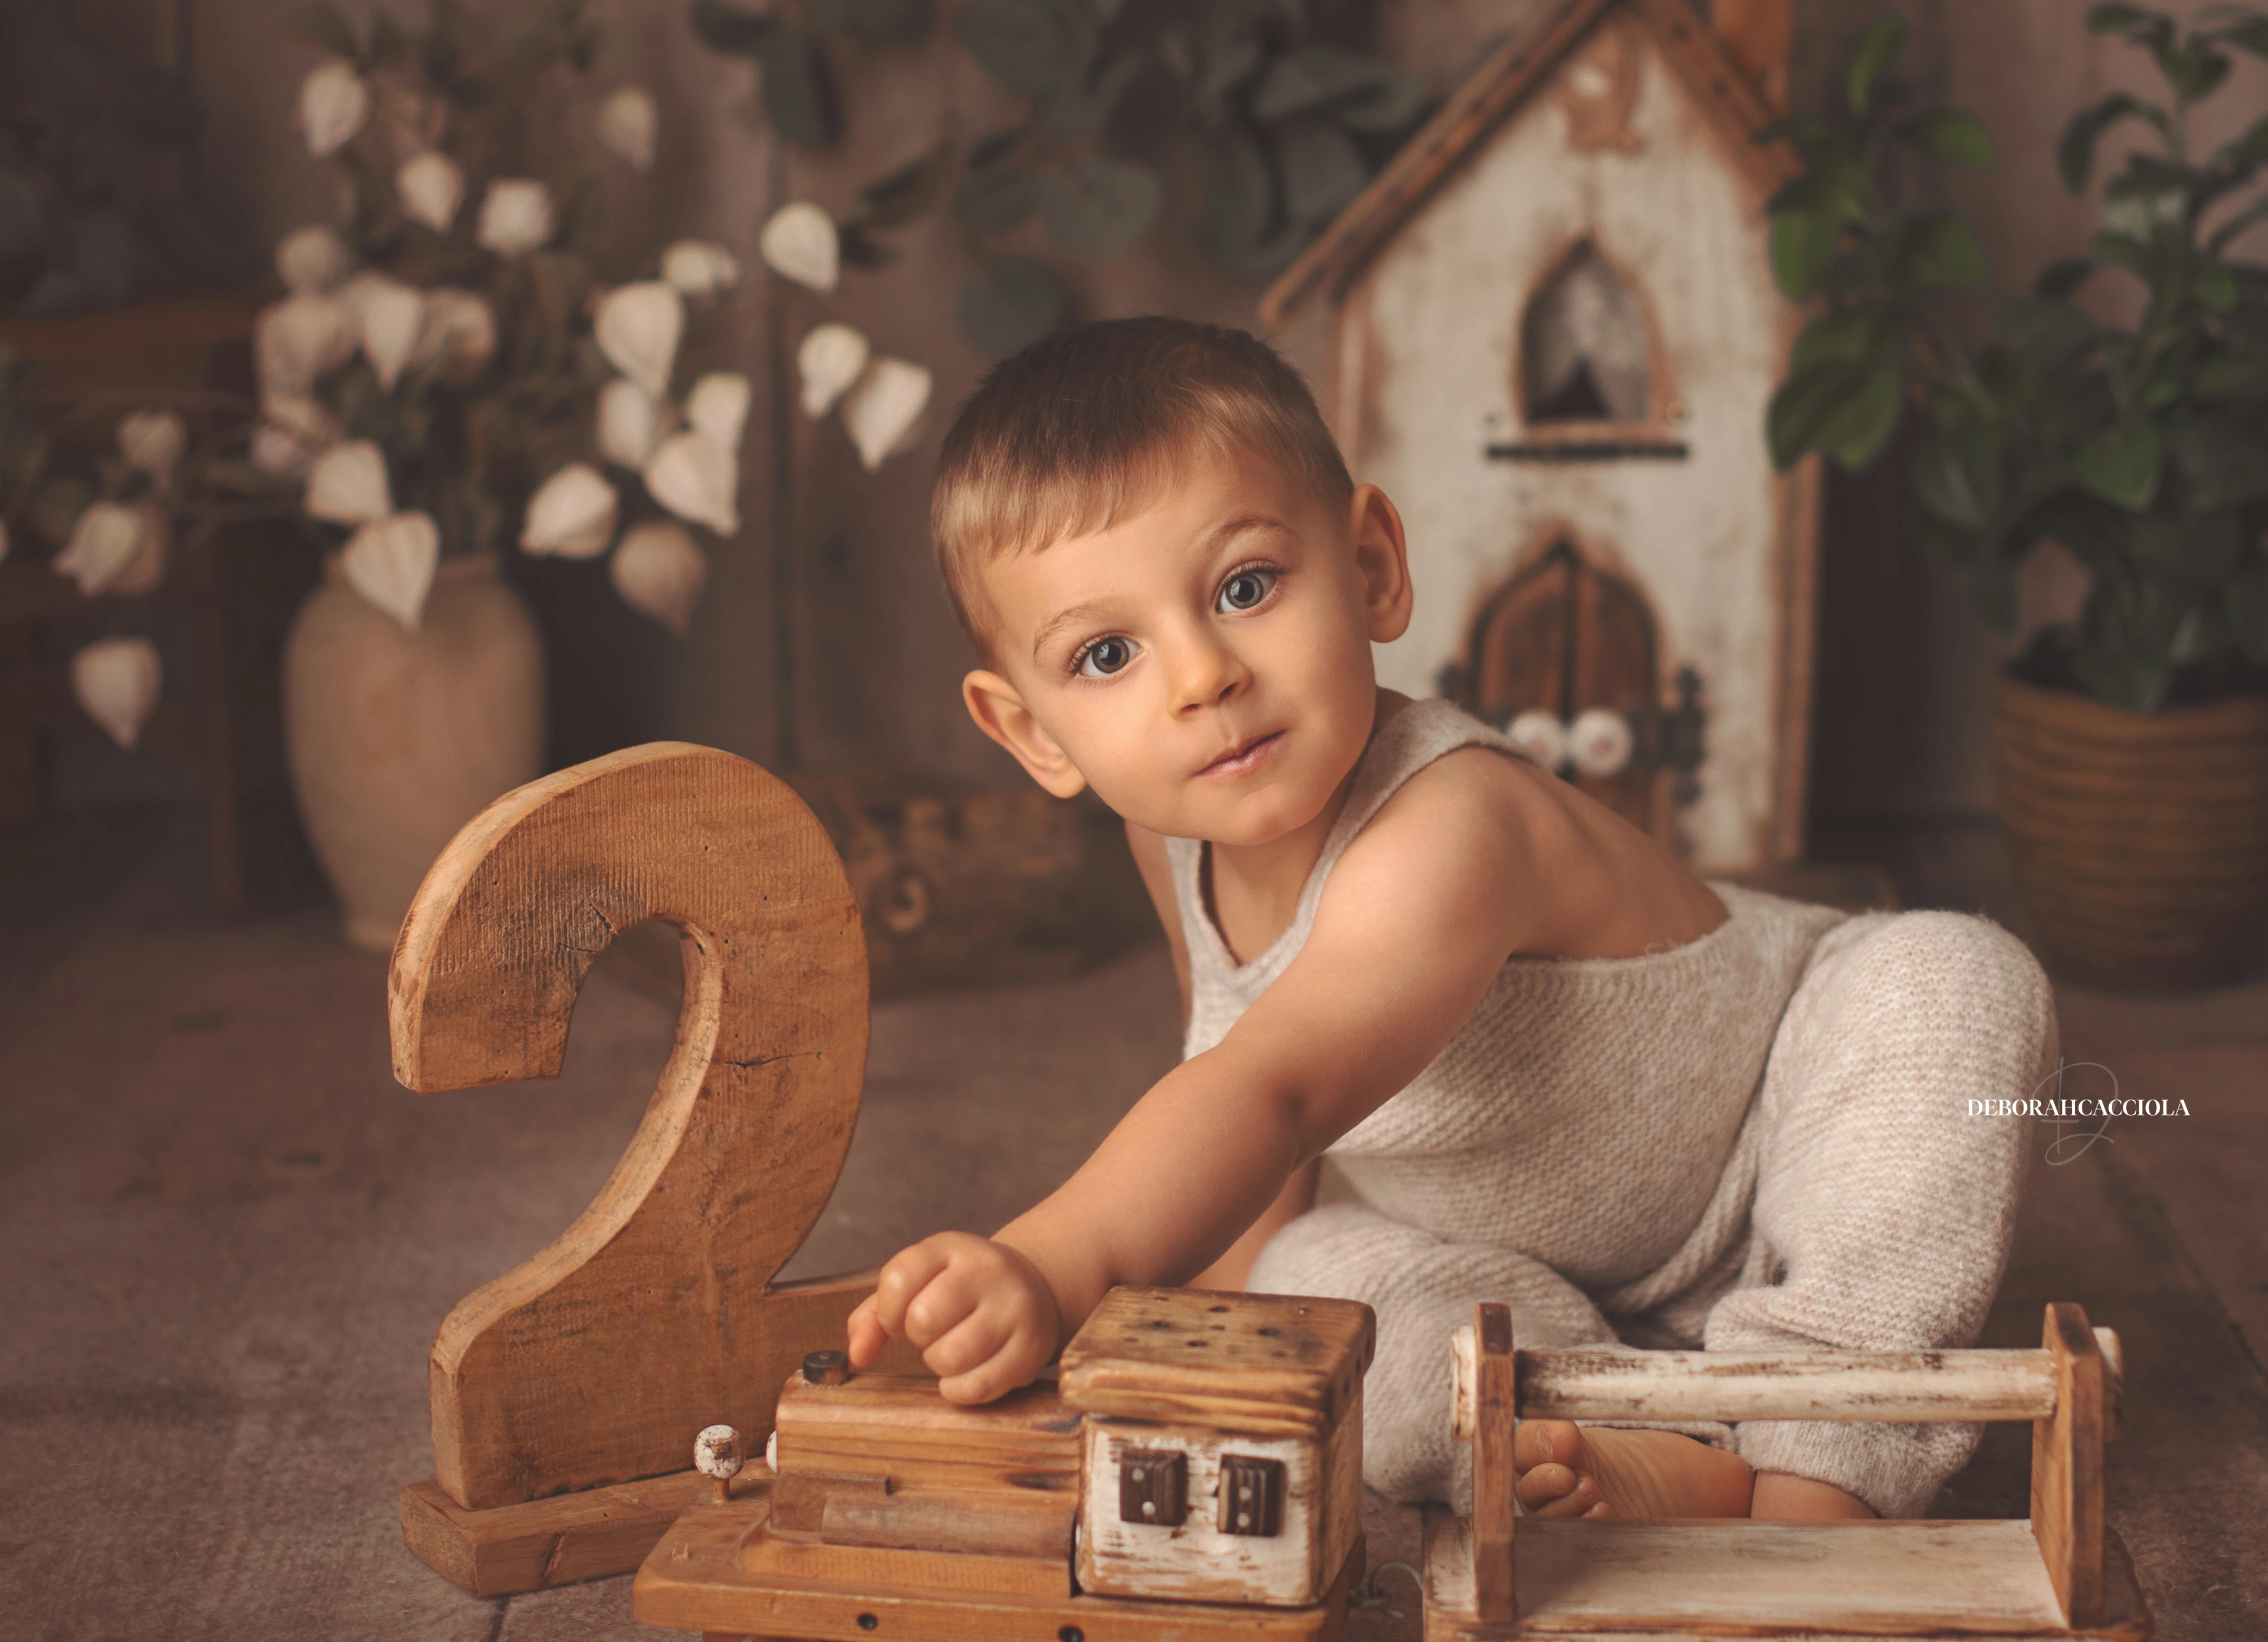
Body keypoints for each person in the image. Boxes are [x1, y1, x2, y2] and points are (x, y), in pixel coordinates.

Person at [846, 317, 2052, 1522]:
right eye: (1109, 654)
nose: (1204, 676)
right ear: (1034, 734)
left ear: (1371, 567)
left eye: (1246, 589)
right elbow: (1240, 1103)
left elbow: (1275, 1090)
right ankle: (1647, 1444)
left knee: (1947, 981)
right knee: (1321, 1306)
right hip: (1527, 1263)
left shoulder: (1447, 822)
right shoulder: (1170, 842)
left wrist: (1053, 1264)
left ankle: (1819, 1473)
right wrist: (1206, 1354)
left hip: (1778, 1121)